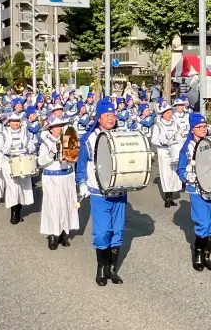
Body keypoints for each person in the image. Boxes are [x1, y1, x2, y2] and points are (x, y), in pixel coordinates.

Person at [77, 99, 126, 286]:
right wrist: (81, 182)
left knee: (118, 231)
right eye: (106, 116)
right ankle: (101, 269)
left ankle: (112, 270)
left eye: (113, 115)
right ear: (98, 118)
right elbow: (81, 164)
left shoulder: (121, 136)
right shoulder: (88, 139)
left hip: (119, 191)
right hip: (98, 192)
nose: (111, 118)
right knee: (101, 232)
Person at [177, 113, 211, 272]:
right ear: (192, 130)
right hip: (196, 189)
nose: (203, 130)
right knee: (202, 223)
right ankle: (197, 256)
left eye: (204, 127)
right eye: (199, 127)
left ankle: (207, 257)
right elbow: (180, 169)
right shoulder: (187, 148)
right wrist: (187, 176)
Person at [37, 115, 80, 250]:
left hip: (66, 176)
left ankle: (63, 233)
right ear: (51, 129)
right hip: (52, 178)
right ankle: (52, 235)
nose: (59, 129)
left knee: (66, 205)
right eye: (56, 127)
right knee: (53, 206)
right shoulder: (46, 142)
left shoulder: (69, 139)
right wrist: (52, 152)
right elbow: (41, 162)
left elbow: (75, 159)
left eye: (61, 126)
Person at [0, 112, 36, 225]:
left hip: (23, 162)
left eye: (17, 121)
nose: (15, 123)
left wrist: (29, 148)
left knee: (23, 188)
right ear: (9, 122)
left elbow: (32, 144)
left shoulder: (25, 132)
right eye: (13, 121)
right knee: (13, 187)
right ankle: (13, 214)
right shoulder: (3, 133)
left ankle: (18, 212)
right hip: (9, 163)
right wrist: (6, 150)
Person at [151, 102, 182, 207]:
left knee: (174, 174)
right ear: (162, 114)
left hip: (174, 150)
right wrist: (162, 141)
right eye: (167, 112)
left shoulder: (175, 124)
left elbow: (179, 136)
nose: (169, 114)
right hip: (164, 151)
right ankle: (167, 198)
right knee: (166, 174)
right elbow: (153, 140)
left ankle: (171, 196)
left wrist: (178, 140)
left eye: (170, 112)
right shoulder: (158, 125)